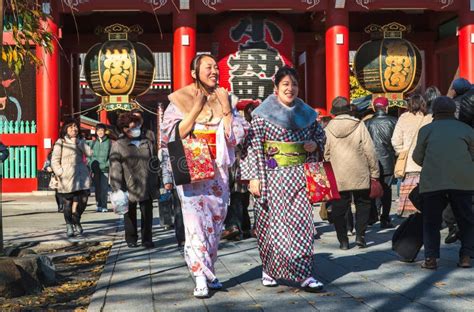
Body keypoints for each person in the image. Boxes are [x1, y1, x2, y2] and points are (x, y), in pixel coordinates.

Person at [161, 53, 247, 298]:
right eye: (208, 67)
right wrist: (196, 108)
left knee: (215, 222)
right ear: (194, 72)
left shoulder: (224, 97)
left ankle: (209, 270)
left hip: (218, 170)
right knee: (195, 223)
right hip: (192, 165)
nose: (214, 71)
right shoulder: (180, 99)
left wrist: (228, 109)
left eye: (215, 67)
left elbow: (236, 137)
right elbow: (172, 135)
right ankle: (199, 276)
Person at [241, 66, 325, 292]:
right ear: (276, 87)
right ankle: (270, 268)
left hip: (300, 176)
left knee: (301, 224)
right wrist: (253, 178)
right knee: (272, 225)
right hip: (272, 176)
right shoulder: (261, 114)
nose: (291, 89)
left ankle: (304, 273)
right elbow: (252, 147)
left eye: (294, 84)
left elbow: (320, 135)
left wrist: (315, 144)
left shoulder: (307, 113)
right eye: (286, 84)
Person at [412, 96, 474, 269]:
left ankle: (431, 258)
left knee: (431, 221)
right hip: (463, 181)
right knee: (466, 219)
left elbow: (417, 157)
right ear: (453, 111)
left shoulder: (426, 130)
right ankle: (466, 257)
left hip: (433, 181)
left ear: (435, 111)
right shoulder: (466, 129)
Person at [324, 96, 379, 249]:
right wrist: (374, 172)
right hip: (360, 171)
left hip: (338, 174)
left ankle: (343, 240)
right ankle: (360, 236)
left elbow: (325, 153)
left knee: (339, 208)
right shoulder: (359, 125)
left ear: (334, 112)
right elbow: (370, 151)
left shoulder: (328, 129)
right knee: (363, 204)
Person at [109, 112, 159, 249]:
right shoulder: (119, 145)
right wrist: (116, 187)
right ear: (125, 128)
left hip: (147, 181)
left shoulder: (146, 141)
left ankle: (147, 239)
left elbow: (154, 161)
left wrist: (157, 178)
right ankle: (131, 238)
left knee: (147, 212)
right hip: (128, 183)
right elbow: (115, 167)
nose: (136, 128)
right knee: (129, 212)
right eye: (133, 126)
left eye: (137, 125)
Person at [391, 94, 432, 216]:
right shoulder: (429, 118)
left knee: (410, 195)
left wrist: (402, 151)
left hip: (408, 164)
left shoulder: (403, 118)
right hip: (426, 162)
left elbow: (395, 140)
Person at [51, 119, 92, 237]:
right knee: (68, 203)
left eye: (75, 127)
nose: (74, 129)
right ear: (66, 129)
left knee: (83, 201)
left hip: (81, 175)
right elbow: (55, 160)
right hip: (67, 176)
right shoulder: (61, 142)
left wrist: (79, 143)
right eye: (70, 127)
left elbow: (90, 153)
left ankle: (77, 219)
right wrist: (60, 172)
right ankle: (69, 225)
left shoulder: (81, 141)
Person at [222, 103, 256, 240]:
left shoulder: (240, 126)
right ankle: (245, 228)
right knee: (242, 199)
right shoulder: (247, 127)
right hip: (243, 167)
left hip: (236, 167)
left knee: (237, 198)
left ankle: (235, 227)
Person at [364, 97, 397, 228]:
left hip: (372, 160)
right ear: (386, 107)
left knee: (372, 187)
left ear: (374, 108)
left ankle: (373, 215)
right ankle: (385, 218)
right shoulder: (394, 121)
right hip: (388, 160)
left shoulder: (367, 123)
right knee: (387, 190)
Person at [88, 123, 111, 213]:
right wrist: (90, 163)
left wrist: (106, 164)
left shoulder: (109, 142)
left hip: (105, 169)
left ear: (105, 131)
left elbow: (112, 156)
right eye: (98, 130)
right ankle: (98, 204)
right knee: (97, 188)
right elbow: (88, 155)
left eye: (102, 130)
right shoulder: (93, 143)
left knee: (104, 188)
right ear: (96, 132)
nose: (100, 132)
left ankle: (104, 205)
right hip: (95, 168)